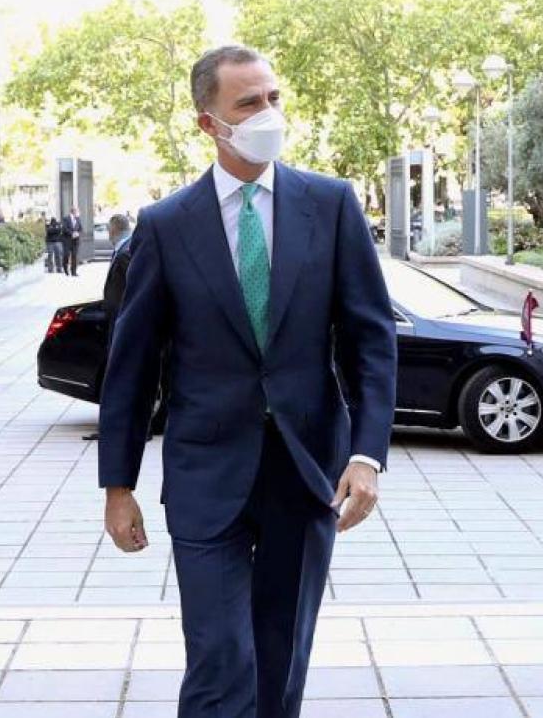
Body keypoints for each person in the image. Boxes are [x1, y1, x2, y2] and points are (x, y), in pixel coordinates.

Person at [98, 45, 397, 718]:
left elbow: (370, 339)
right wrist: (118, 486)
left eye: (273, 98)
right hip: (206, 472)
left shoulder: (331, 204)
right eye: (249, 103)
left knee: (280, 660)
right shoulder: (166, 225)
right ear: (210, 123)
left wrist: (367, 455)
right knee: (219, 658)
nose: (268, 114)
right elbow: (131, 366)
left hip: (305, 468)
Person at [102, 213, 134, 342]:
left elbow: (133, 285)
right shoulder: (124, 248)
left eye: (109, 231)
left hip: (122, 317)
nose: (108, 235)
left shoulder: (124, 253)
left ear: (113, 230)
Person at [63, 206, 83, 276]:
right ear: (73, 211)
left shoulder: (78, 219)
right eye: (78, 211)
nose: (79, 213)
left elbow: (81, 228)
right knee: (66, 255)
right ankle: (65, 269)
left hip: (76, 241)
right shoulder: (66, 218)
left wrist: (78, 233)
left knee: (74, 256)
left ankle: (73, 272)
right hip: (67, 240)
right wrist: (72, 233)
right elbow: (64, 228)